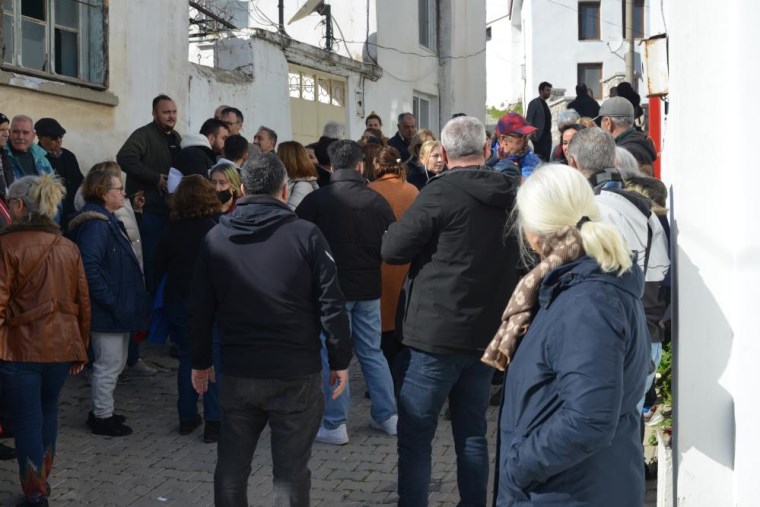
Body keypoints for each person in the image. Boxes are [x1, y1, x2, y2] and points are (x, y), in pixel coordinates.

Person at [189, 153, 352, 507]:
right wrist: (340, 359)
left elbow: (200, 308)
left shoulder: (216, 237)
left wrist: (200, 362)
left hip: (238, 370)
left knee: (231, 467)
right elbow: (331, 303)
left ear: (242, 189)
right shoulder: (306, 235)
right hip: (295, 371)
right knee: (290, 472)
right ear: (284, 190)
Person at [483, 163, 648, 506]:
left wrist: (518, 464)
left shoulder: (588, 300)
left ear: (533, 234)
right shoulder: (571, 283)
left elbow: (588, 419)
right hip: (573, 484)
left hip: (568, 490)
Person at [381, 116, 521, 506]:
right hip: (485, 333)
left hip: (436, 337)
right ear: (488, 148)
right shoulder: (513, 193)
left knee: (416, 437)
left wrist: (393, 232)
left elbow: (393, 250)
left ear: (442, 154)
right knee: (473, 431)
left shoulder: (439, 193)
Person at [296, 140, 398, 445]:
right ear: (360, 166)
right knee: (372, 351)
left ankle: (335, 422)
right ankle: (388, 415)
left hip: (330, 291)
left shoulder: (316, 202)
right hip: (368, 286)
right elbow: (391, 243)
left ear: (329, 165)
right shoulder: (377, 201)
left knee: (332, 353)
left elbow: (297, 243)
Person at [0, 175, 90, 507]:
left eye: (10, 202)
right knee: (47, 410)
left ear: (21, 206)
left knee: (26, 419)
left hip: (19, 349)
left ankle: (35, 492)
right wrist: (81, 345)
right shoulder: (68, 246)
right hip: (61, 347)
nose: (8, 208)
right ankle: (42, 483)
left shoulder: (6, 245)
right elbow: (83, 301)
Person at [69, 162, 149, 437]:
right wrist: (112, 300)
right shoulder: (96, 225)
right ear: (104, 193)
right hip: (108, 310)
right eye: (119, 189)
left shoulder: (106, 219)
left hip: (117, 306)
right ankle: (102, 417)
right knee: (108, 364)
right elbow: (89, 267)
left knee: (114, 362)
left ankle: (104, 410)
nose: (123, 194)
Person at [155, 176, 221, 442]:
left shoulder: (171, 229)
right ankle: (214, 422)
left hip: (179, 299)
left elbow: (158, 266)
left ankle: (186, 416)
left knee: (187, 357)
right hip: (210, 302)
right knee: (213, 358)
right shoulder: (214, 229)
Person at [116, 94, 181, 296]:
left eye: (174, 112)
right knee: (151, 262)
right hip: (149, 212)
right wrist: (155, 178)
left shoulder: (176, 137)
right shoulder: (143, 135)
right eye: (166, 112)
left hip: (171, 212)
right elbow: (124, 158)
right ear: (154, 114)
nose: (171, 116)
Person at [367, 147, 419, 379]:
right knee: (402, 320)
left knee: (380, 327)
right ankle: (402, 374)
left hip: (378, 264)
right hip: (407, 265)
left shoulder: (369, 191)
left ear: (377, 166)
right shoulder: (412, 191)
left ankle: (382, 381)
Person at [34, 118, 83, 230]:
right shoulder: (37, 158)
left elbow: (80, 181)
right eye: (54, 138)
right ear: (40, 137)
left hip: (74, 214)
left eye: (61, 137)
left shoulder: (69, 156)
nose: (59, 140)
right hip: (52, 216)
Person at [597, 96, 657, 171]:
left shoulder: (623, 153)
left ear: (608, 122)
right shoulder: (640, 143)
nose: (600, 126)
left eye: (601, 121)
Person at [492, 112, 542, 179]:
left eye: (526, 136)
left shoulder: (532, 161)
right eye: (521, 136)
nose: (525, 140)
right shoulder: (488, 160)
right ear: (503, 139)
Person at [276, 141, 319, 210]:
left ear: (287, 159)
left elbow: (293, 214)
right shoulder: (287, 180)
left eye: (278, 154)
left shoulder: (303, 185)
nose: (276, 158)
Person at [525, 81, 553, 160]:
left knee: (546, 158)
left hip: (547, 136)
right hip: (539, 137)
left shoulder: (545, 104)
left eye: (549, 90)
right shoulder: (534, 103)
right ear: (541, 91)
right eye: (547, 90)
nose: (549, 92)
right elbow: (529, 118)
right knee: (539, 159)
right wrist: (532, 131)